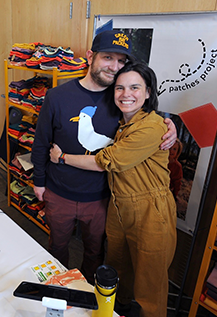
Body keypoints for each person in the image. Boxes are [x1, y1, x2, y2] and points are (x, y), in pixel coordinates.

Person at [31, 30, 176, 285]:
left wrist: (169, 125)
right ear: (90, 57)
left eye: (121, 61)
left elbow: (147, 120)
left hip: (101, 197)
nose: (114, 66)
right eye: (108, 57)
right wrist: (39, 182)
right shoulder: (57, 96)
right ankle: (57, 293)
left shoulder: (122, 98)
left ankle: (87, 298)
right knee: (56, 248)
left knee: (95, 252)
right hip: (59, 192)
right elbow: (41, 142)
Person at [49, 61, 177, 317]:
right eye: (119, 88)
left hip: (151, 210)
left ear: (148, 92)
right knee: (119, 269)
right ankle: (118, 310)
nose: (125, 94)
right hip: (118, 206)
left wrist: (62, 158)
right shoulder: (121, 123)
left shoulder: (152, 126)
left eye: (134, 87)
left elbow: (106, 162)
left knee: (149, 282)